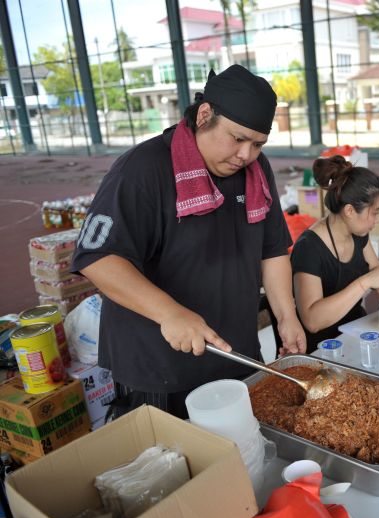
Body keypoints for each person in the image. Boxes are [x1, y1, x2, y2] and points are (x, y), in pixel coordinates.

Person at [72, 65, 306, 419]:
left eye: (258, 144)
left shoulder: (257, 172)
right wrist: (170, 313)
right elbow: (98, 257)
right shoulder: (143, 169)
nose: (246, 155)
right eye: (237, 138)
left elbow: (272, 250)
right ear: (205, 114)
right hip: (159, 368)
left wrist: (287, 316)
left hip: (236, 355)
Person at [291, 156, 379, 350]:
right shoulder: (309, 248)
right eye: (374, 212)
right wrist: (366, 282)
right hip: (324, 348)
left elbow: (374, 267)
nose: (377, 220)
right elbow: (312, 321)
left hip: (355, 331)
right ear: (349, 211)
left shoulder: (357, 232)